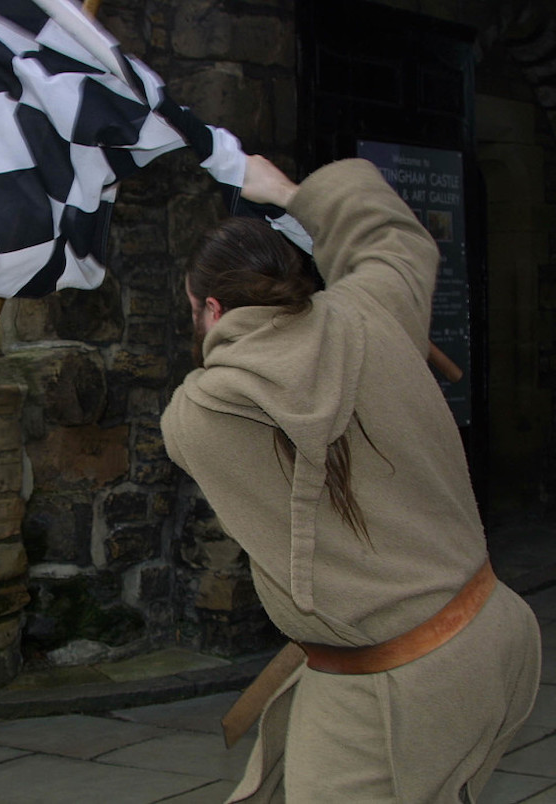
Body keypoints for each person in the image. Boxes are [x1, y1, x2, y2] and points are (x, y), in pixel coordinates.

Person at [161, 156, 541, 802]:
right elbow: (392, 236)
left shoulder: (198, 416)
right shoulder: (370, 308)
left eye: (194, 310)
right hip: (491, 636)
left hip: (394, 688)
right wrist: (290, 193)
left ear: (213, 310)